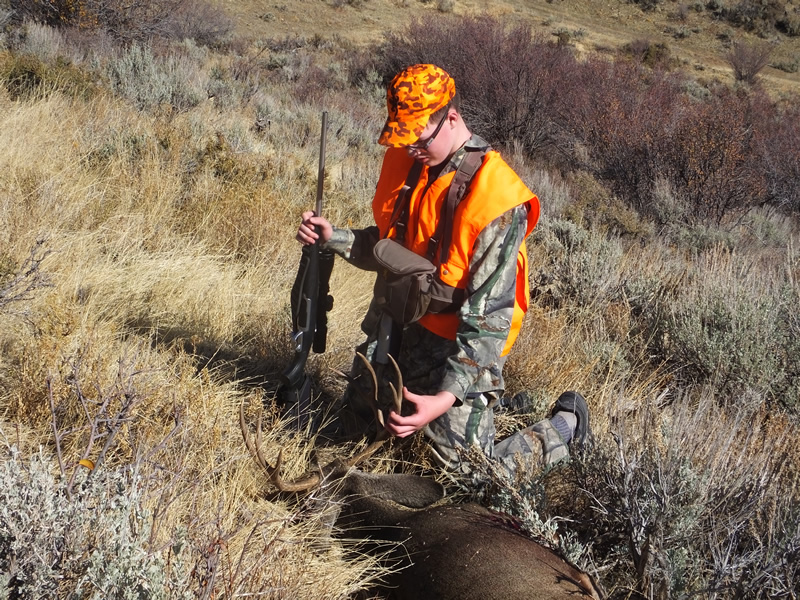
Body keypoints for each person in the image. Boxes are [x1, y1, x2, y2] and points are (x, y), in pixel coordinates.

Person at [296, 64, 590, 474]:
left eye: (419, 139)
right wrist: (334, 237)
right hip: (397, 328)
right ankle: (485, 407)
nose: (411, 150)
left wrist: (446, 397)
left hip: (458, 349)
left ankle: (561, 429)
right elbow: (388, 250)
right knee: (350, 432)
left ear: (451, 119)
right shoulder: (409, 163)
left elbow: (489, 320)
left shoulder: (496, 200)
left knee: (466, 482)